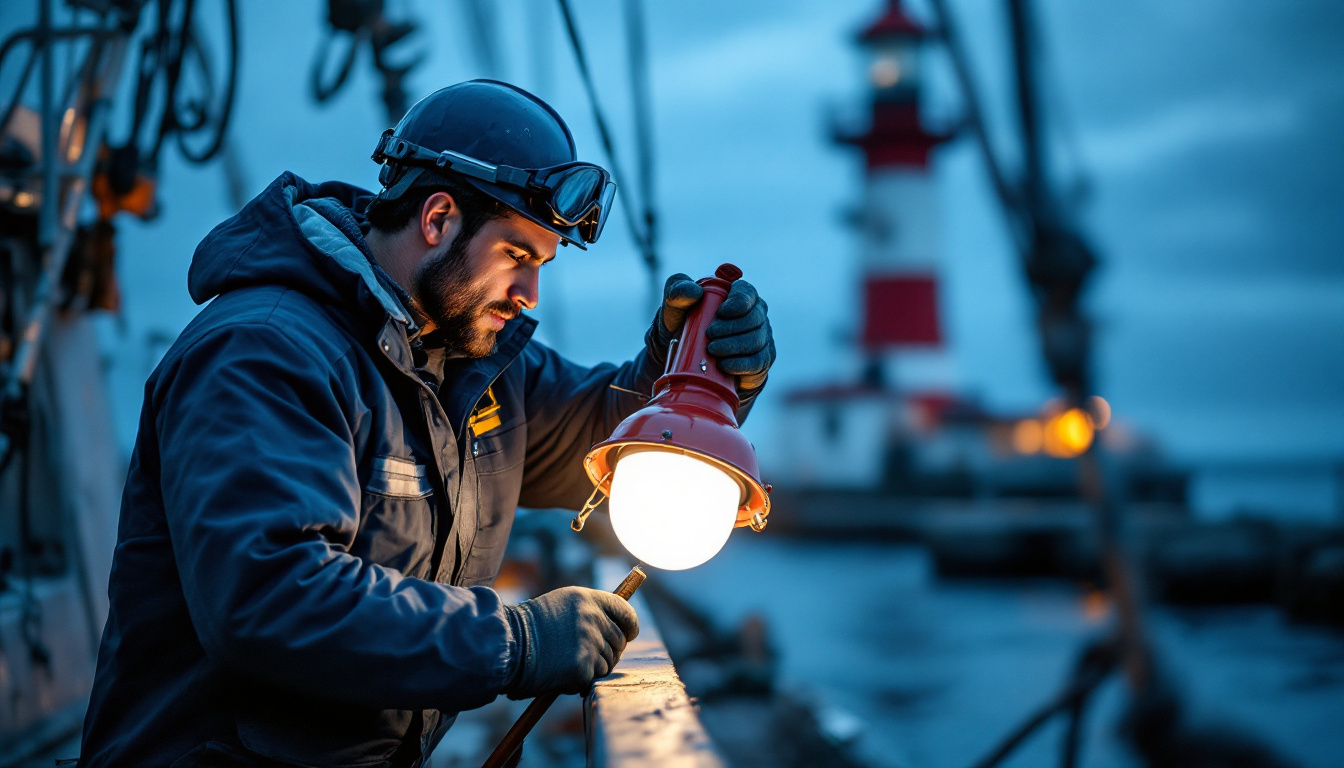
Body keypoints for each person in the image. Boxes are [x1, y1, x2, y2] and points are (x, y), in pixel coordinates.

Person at [78, 80, 775, 768]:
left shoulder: (475, 367)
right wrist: (515, 642)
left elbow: (614, 439)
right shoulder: (265, 352)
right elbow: (268, 596)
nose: (531, 294)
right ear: (438, 219)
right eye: (518, 256)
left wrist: (692, 379)